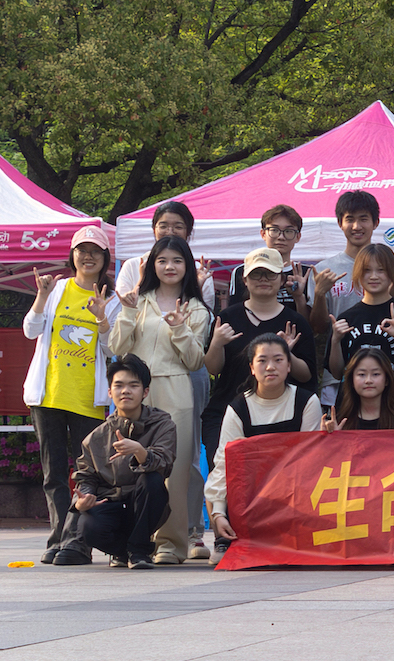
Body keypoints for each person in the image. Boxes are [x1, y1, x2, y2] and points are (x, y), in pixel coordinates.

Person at [108, 233, 210, 564]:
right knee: (128, 468)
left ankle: (170, 544)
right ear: (152, 265)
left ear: (188, 266)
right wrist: (127, 311)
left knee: (174, 471)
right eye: (162, 260)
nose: (169, 267)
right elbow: (117, 347)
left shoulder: (197, 308)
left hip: (176, 389)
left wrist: (179, 328)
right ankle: (130, 542)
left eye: (177, 261)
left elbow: (194, 361)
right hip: (136, 392)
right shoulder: (139, 300)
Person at [25, 224, 115, 562]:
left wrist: (102, 318)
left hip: (87, 399)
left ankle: (79, 541)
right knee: (53, 474)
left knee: (86, 475)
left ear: (105, 258)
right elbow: (30, 330)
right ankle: (58, 538)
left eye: (95, 251)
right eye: (82, 250)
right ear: (73, 255)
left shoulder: (111, 297)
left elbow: (112, 348)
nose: (88, 257)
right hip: (49, 395)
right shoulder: (57, 289)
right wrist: (41, 296)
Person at [204, 334, 324, 549]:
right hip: (252, 492)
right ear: (252, 367)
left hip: (294, 490)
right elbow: (224, 463)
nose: (270, 367)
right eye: (262, 360)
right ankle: (224, 540)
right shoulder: (238, 408)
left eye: (278, 360)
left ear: (289, 365)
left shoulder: (306, 401)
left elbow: (311, 460)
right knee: (214, 478)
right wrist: (218, 514)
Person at [202, 247, 318, 466]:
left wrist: (287, 353)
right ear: (245, 280)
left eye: (270, 274)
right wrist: (217, 343)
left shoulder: (295, 322)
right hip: (228, 410)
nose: (263, 279)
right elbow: (213, 369)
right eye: (256, 274)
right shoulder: (227, 317)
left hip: (281, 417)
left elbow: (307, 375)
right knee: (226, 476)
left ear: (281, 279)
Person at [68, 354, 177, 569]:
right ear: (110, 392)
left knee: (152, 481)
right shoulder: (95, 438)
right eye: (118, 386)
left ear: (145, 392)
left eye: (133, 385)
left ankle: (139, 551)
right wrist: (82, 501)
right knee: (87, 526)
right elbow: (86, 477)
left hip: (144, 505)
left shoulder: (162, 424)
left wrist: (139, 451)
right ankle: (123, 551)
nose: (125, 391)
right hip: (111, 504)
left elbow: (165, 462)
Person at [328, 244, 394, 418]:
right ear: (358, 273)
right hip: (353, 412)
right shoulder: (347, 317)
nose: (374, 276)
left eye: (381, 270)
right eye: (367, 270)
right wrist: (335, 341)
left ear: (392, 273)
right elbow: (337, 373)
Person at [115, 200, 218, 311]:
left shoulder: (200, 272)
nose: (170, 232)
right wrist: (142, 281)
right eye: (163, 226)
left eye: (178, 227)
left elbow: (205, 316)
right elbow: (122, 311)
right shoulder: (132, 266)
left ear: (188, 231)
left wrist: (197, 287)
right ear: (154, 229)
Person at [307, 188, 384, 332]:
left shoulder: (392, 266)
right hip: (340, 346)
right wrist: (319, 293)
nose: (356, 226)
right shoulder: (323, 270)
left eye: (363, 219)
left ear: (376, 223)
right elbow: (318, 327)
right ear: (340, 223)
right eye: (350, 219)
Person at [326, 347, 394, 431]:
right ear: (351, 380)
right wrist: (329, 436)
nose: (368, 380)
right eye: (362, 374)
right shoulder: (339, 420)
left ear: (387, 379)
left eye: (375, 374)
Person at [258, 205, 316, 309]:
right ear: (263, 234)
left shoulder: (308, 274)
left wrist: (299, 297)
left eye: (288, 231)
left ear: (298, 237)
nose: (281, 237)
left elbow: (314, 318)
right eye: (274, 230)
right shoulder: (246, 271)